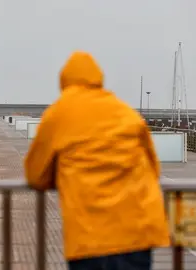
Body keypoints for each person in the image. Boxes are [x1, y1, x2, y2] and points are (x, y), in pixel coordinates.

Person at [24, 51, 170, 270]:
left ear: (64, 81)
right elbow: (154, 168)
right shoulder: (125, 112)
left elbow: (35, 175)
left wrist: (62, 176)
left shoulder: (58, 114)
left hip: (89, 237)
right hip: (137, 233)